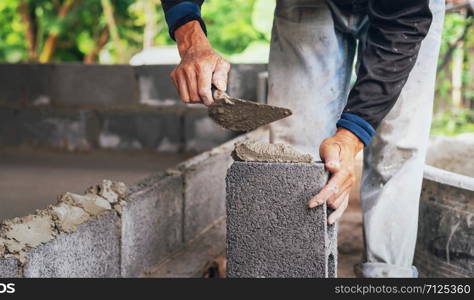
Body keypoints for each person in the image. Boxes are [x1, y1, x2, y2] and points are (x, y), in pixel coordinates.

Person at [160, 0, 445, 277]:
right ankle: (298, 269)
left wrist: (351, 137)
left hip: (404, 15)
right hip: (308, 4)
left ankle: (387, 277)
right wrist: (189, 37)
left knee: (396, 150)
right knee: (294, 156)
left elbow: (404, 19)